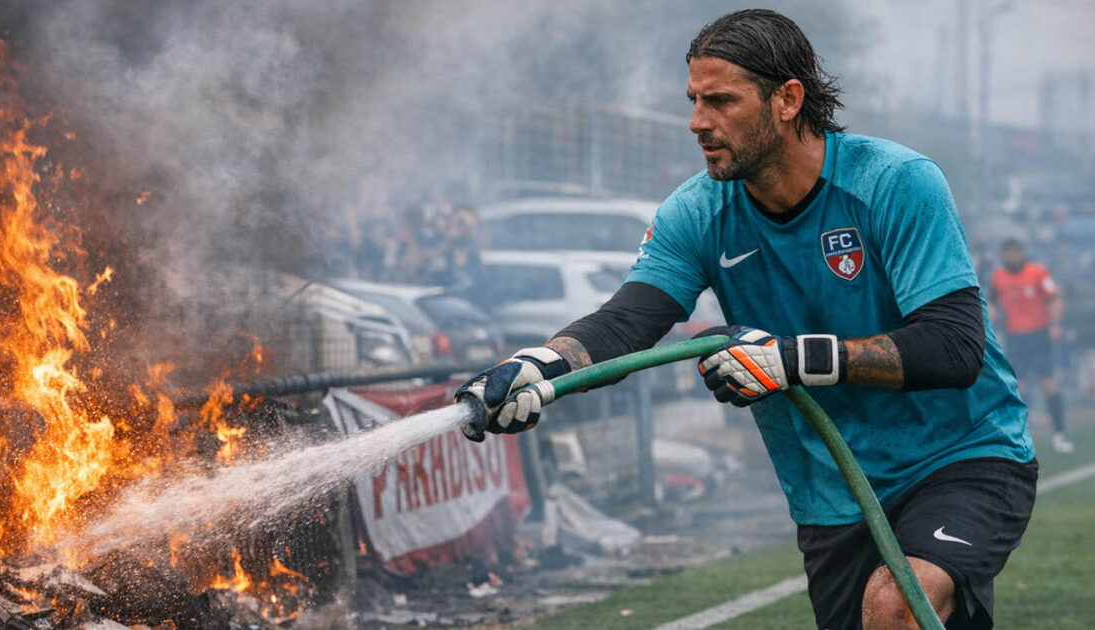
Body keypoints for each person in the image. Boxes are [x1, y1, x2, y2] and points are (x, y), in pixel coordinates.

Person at [455, 9, 1035, 630]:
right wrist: (539, 364)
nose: (697, 122)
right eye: (694, 100)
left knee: (893, 608)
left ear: (788, 99)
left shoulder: (897, 182)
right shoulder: (696, 212)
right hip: (831, 484)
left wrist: (789, 359)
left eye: (721, 101)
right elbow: (629, 319)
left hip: (962, 454)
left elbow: (954, 348)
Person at [989, 238, 1073, 453]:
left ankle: (1059, 435)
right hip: (1015, 337)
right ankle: (1022, 435)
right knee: (1018, 386)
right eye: (1008, 253)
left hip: (1039, 335)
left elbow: (1055, 298)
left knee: (1048, 383)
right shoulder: (998, 277)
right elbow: (991, 303)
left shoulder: (1038, 272)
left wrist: (1055, 324)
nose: (1012, 256)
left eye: (1015, 252)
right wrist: (991, 323)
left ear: (1022, 252)